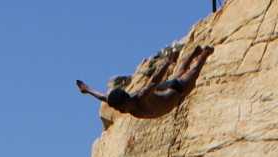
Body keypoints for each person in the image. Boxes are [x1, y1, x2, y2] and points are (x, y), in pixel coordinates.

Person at [76, 45, 213, 119]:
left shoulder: (140, 97)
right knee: (180, 72)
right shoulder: (123, 104)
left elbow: (153, 82)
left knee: (192, 72)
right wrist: (87, 89)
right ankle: (194, 52)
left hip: (176, 92)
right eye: (118, 109)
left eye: (121, 108)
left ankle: (204, 53)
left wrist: (167, 62)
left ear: (126, 100)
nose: (121, 111)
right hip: (167, 89)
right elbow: (102, 96)